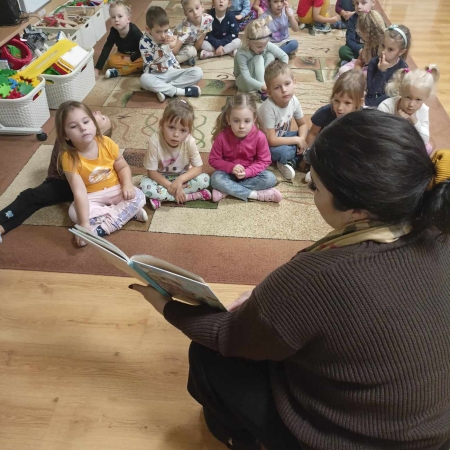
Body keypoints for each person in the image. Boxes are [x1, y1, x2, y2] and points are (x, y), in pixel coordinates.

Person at [130, 109, 450, 450]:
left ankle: (239, 438)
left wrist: (168, 306)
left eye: (317, 186)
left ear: (358, 210)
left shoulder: (318, 277)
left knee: (208, 358)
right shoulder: (438, 230)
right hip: (435, 431)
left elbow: (227, 336)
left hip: (357, 439)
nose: (312, 190)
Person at [0, 112, 112, 244]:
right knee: (36, 202)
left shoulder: (91, 144)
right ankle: (2, 227)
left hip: (66, 182)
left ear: (97, 132)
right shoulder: (71, 135)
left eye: (103, 118)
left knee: (29, 196)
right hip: (67, 180)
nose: (99, 112)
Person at [57, 101, 146, 247]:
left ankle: (102, 229)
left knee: (139, 196)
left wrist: (128, 184)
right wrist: (85, 223)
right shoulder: (68, 158)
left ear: (94, 124)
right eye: (73, 126)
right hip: (92, 196)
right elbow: (79, 192)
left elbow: (123, 166)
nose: (82, 128)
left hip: (116, 188)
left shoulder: (107, 142)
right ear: (65, 135)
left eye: (86, 121)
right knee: (74, 213)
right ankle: (127, 213)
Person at [139, 99, 211, 210]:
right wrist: (171, 186)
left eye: (183, 130)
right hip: (161, 178)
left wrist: (179, 181)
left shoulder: (190, 141)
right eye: (171, 127)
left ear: (189, 131)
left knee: (205, 179)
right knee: (144, 185)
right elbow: (152, 172)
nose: (176, 134)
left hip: (182, 176)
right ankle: (190, 196)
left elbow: (198, 168)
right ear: (161, 124)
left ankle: (163, 197)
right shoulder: (154, 141)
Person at [209, 94, 282, 203]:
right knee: (215, 179)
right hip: (228, 174)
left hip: (250, 175)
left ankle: (226, 190)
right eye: (236, 121)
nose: (242, 126)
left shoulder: (259, 137)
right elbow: (213, 160)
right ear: (228, 120)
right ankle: (254, 195)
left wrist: (248, 172)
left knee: (270, 178)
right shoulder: (222, 137)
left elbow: (264, 160)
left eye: (247, 121)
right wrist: (231, 167)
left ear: (254, 120)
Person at [139, 6, 203, 103]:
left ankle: (163, 90)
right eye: (158, 32)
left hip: (172, 70)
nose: (163, 35)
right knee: (143, 79)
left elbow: (174, 54)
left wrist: (175, 41)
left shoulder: (168, 34)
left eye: (165, 30)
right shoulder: (144, 42)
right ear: (148, 30)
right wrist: (167, 47)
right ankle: (180, 91)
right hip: (155, 74)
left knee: (198, 72)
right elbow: (154, 64)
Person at [258, 60, 308, 181]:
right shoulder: (268, 109)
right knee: (285, 152)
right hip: (265, 145)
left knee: (313, 135)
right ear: (269, 92)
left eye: (287, 84)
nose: (284, 90)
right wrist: (297, 140)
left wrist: (301, 138)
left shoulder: (294, 100)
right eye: (277, 87)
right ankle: (292, 159)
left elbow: (303, 124)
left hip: (283, 136)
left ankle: (290, 161)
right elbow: (271, 140)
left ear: (294, 82)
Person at [378, 65, 440, 155]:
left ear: (426, 97)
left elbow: (424, 140)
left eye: (418, 100)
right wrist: (396, 120)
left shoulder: (423, 110)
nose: (411, 105)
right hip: (389, 144)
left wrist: (416, 122)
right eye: (408, 97)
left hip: (409, 145)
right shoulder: (385, 107)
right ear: (400, 91)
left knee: (428, 147)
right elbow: (379, 135)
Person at [234, 18, 288, 101]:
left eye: (265, 45)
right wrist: (261, 86)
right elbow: (246, 78)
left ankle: (265, 85)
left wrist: (283, 73)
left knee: (270, 55)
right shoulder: (241, 53)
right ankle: (263, 89)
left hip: (257, 77)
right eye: (259, 47)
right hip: (244, 83)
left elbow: (284, 56)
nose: (263, 48)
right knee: (258, 58)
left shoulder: (265, 45)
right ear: (249, 42)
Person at [306, 69, 365, 146]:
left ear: (359, 102)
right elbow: (313, 134)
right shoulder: (324, 113)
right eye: (336, 100)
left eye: (347, 103)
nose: (340, 108)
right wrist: (307, 154)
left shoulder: (363, 118)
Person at [94, 1, 143, 80]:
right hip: (122, 55)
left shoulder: (135, 31)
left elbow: (145, 48)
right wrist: (97, 69)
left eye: (120, 16)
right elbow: (107, 48)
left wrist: (131, 58)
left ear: (128, 19)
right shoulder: (113, 31)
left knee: (143, 61)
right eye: (113, 17)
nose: (116, 19)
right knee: (110, 61)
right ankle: (131, 68)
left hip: (138, 55)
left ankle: (119, 72)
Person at [365, 24, 411, 107]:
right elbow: (371, 91)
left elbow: (398, 95)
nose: (383, 52)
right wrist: (381, 71)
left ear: (401, 52)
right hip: (371, 103)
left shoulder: (403, 68)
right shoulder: (373, 62)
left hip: (390, 105)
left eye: (390, 49)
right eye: (382, 46)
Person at [337, 10, 385, 76]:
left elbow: (379, 73)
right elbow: (360, 60)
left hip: (374, 75)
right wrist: (357, 71)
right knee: (342, 70)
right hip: (364, 70)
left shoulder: (383, 47)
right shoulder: (368, 43)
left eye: (361, 31)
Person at [172, 0, 213, 65]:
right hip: (176, 42)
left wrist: (194, 53)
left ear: (202, 6)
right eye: (190, 11)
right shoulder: (186, 28)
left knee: (194, 50)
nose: (195, 12)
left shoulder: (208, 19)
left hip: (189, 44)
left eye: (197, 8)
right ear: (186, 14)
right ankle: (172, 62)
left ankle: (185, 59)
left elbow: (201, 39)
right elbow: (175, 49)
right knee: (174, 45)